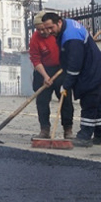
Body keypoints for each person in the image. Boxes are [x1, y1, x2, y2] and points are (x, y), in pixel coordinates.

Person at [50, 13, 101, 147]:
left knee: (89, 102)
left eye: (51, 27)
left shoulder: (71, 37)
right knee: (96, 103)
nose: (49, 31)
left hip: (91, 71)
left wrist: (66, 85)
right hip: (92, 68)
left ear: (59, 22)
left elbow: (74, 66)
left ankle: (85, 136)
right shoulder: (68, 26)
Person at [28, 12, 75, 140]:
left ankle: (68, 129)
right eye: (39, 29)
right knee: (42, 101)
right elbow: (35, 60)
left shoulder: (58, 35)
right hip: (42, 70)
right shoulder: (35, 39)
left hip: (60, 70)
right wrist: (45, 76)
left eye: (44, 28)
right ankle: (44, 129)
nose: (42, 32)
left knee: (65, 100)